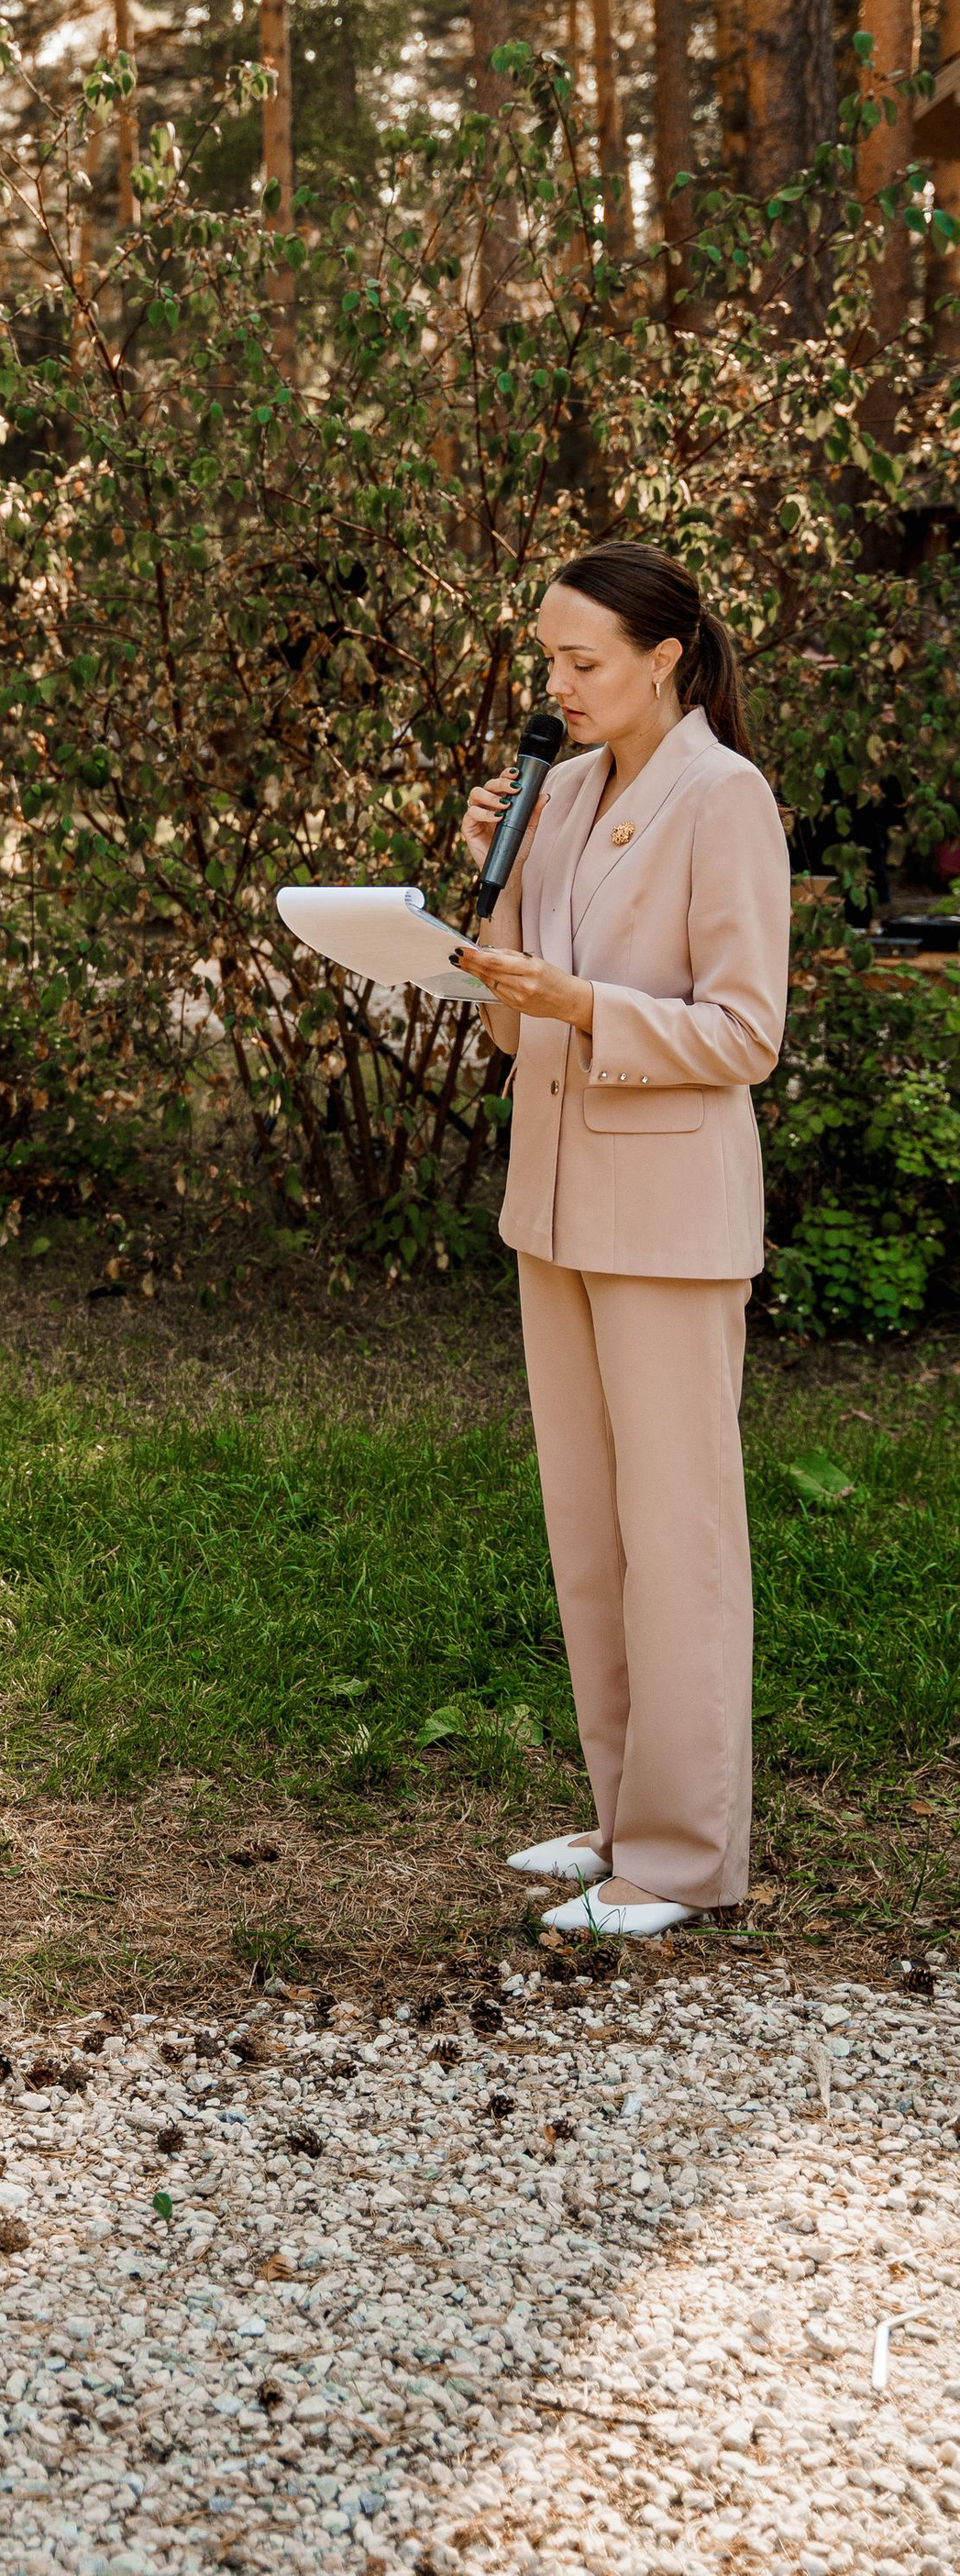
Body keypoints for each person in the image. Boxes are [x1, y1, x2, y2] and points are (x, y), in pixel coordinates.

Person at [453, 542, 789, 1942]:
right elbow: (512, 1021)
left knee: (680, 1538)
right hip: (557, 1203)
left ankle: (685, 1855)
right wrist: (502, 879)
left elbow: (745, 1033)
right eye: (548, 659)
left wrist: (585, 1005)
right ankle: (618, 1819)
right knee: (592, 1536)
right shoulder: (568, 791)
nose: (559, 685)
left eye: (584, 661)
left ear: (664, 658)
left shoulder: (727, 798)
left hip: (670, 1219)